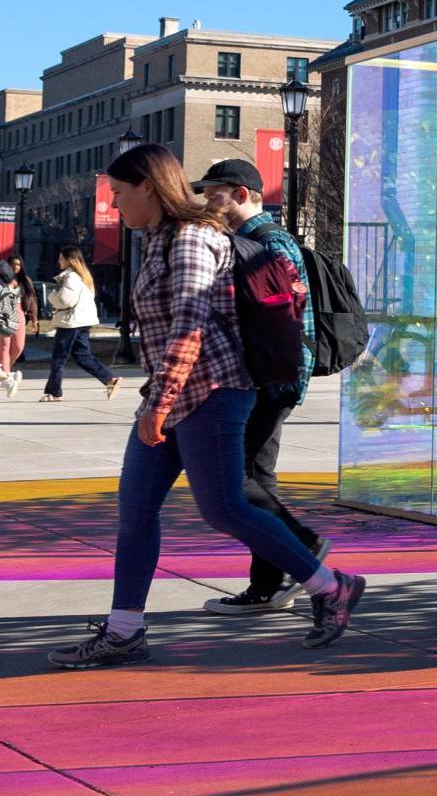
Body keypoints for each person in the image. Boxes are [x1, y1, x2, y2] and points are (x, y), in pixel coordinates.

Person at [49, 143, 366, 669]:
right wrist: (158, 399)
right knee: (136, 507)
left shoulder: (193, 238)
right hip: (174, 393)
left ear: (148, 186)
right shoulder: (159, 238)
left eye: (120, 193)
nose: (115, 204)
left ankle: (331, 586)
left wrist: (158, 404)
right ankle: (124, 631)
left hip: (214, 392)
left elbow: (189, 327)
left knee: (225, 507)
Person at [188, 158, 330, 614]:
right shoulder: (252, 240)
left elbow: (281, 317)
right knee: (252, 476)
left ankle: (294, 552)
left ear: (242, 194)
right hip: (269, 376)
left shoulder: (267, 243)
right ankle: (272, 579)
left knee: (242, 478)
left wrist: (273, 378)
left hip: (271, 379)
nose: (206, 200)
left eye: (213, 192)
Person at [40, 247, 122, 403]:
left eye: (61, 258)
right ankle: (110, 379)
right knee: (82, 356)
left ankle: (54, 392)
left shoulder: (71, 277)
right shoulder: (84, 277)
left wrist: (51, 296)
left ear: (69, 260)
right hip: (83, 322)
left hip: (70, 323)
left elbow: (64, 300)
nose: (58, 261)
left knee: (59, 358)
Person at [0, 251, 29, 396]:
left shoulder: (24, 280)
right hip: (4, 314)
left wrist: (34, 319)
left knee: (18, 347)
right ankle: (6, 375)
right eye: (12, 264)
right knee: (4, 346)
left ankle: (5, 373)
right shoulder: (2, 280)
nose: (15, 267)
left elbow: (32, 300)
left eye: (18, 264)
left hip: (19, 314)